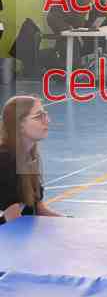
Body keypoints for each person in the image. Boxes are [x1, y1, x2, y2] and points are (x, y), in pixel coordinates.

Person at [0, 96, 61, 225]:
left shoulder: (28, 156)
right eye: (39, 117)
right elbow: (13, 221)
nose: (47, 120)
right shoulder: (4, 161)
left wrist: (68, 221)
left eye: (45, 115)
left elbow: (38, 209)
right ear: (19, 125)